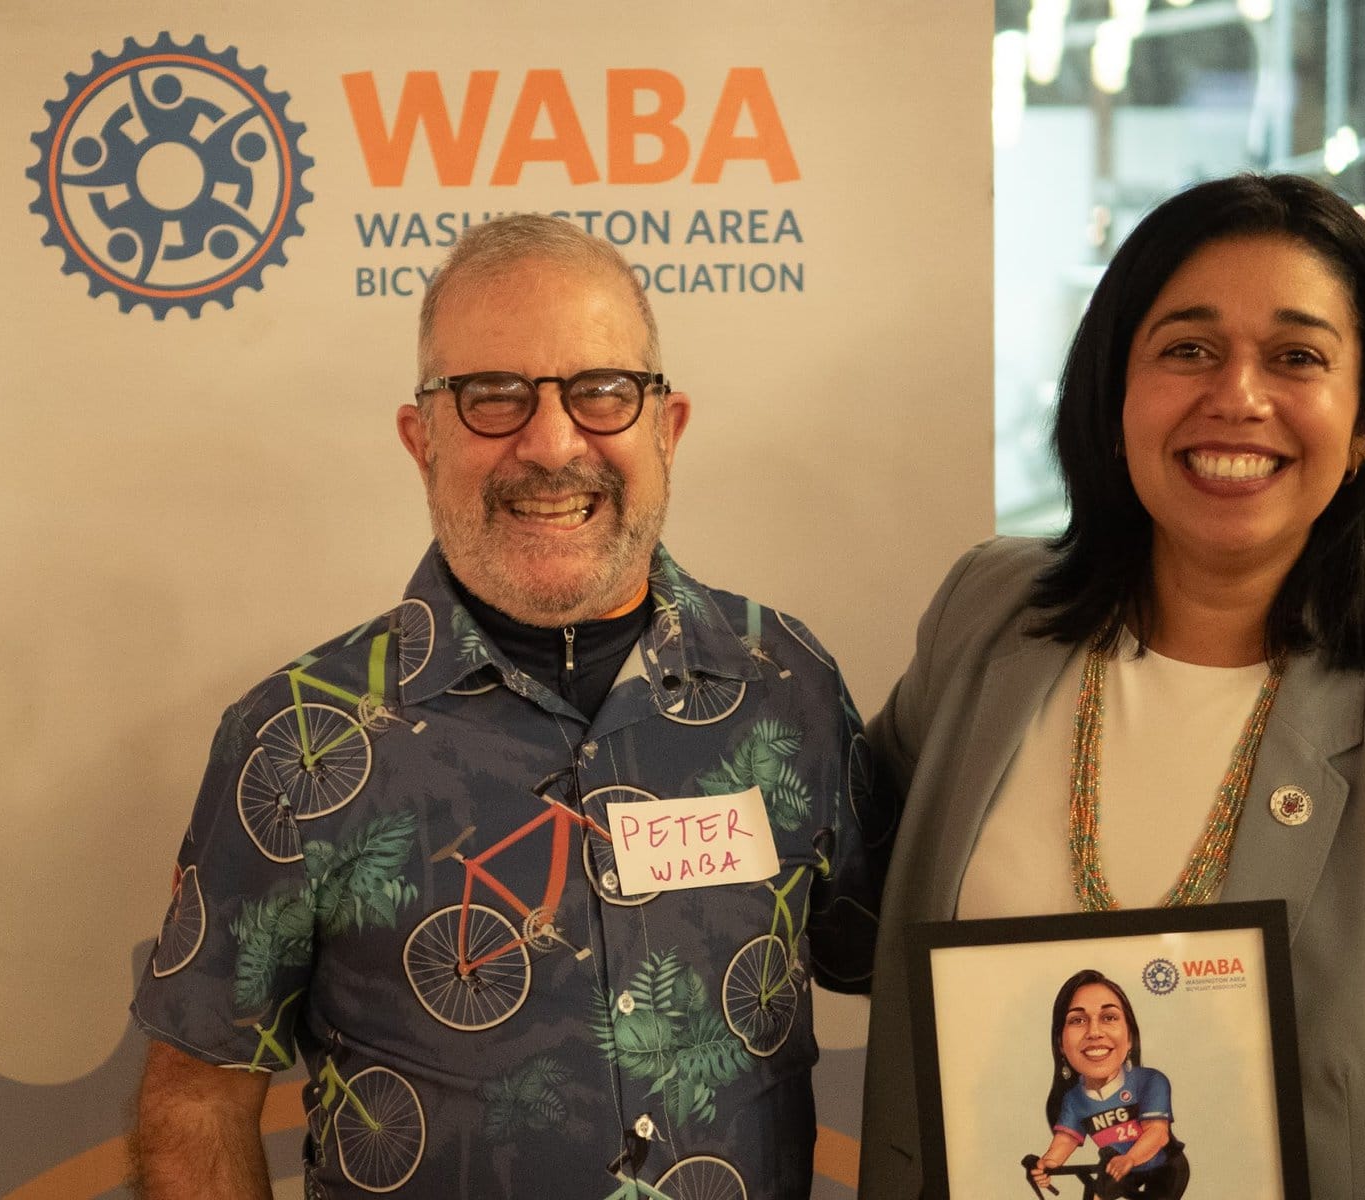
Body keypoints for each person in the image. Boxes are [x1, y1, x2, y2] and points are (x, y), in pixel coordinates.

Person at [129, 213, 883, 1198]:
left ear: (668, 425)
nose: (553, 442)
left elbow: (896, 974)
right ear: (422, 436)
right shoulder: (296, 741)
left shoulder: (788, 686)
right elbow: (197, 1101)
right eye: (492, 396)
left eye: (603, 391)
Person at [858, 173, 1365, 1197]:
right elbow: (840, 910)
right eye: (1188, 349)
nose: (1238, 396)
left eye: (1297, 358)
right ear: (1115, 396)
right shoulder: (990, 615)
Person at [1027, 970, 1188, 1199]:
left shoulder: (1150, 1081)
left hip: (1164, 1168)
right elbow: (1065, 1141)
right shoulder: (1074, 1099)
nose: (1094, 1032)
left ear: (1130, 1037)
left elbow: (1157, 1134)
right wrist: (1047, 1165)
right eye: (1078, 1020)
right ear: (1061, 1044)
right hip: (1117, 1166)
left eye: (1109, 1017)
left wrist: (1130, 1159)